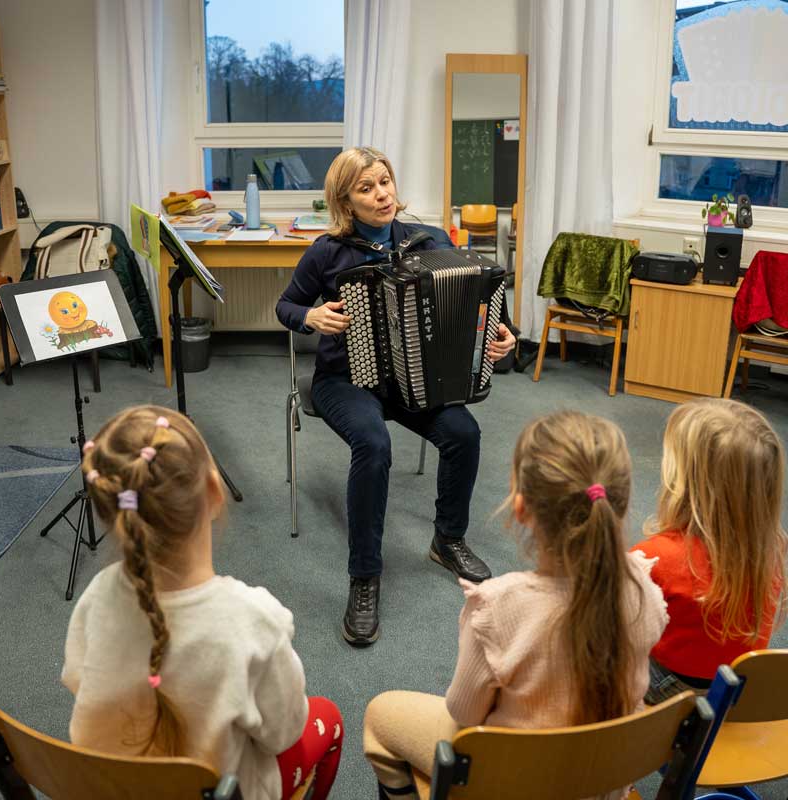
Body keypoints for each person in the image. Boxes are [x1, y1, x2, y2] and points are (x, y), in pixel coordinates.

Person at [276, 146, 516, 647]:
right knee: (373, 444)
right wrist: (310, 317)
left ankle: (447, 539)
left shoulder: (429, 240)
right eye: (366, 188)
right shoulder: (327, 251)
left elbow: (479, 302)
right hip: (344, 379)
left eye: (384, 181)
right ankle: (365, 575)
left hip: (414, 382)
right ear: (346, 201)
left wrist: (502, 335)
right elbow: (287, 304)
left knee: (463, 433)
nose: (381, 194)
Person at [363, 411, 668, 798]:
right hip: (604, 781)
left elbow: (464, 714)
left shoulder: (497, 607)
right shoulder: (645, 588)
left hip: (515, 783)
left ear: (521, 508)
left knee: (379, 715)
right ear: (619, 506)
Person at [62, 405, 343, 800]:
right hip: (227, 790)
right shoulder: (253, 619)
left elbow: (78, 680)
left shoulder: (96, 596)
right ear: (214, 491)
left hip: (113, 787)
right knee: (327, 718)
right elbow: (284, 734)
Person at [631, 398, 787, 704]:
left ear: (687, 483)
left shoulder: (654, 557)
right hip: (735, 692)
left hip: (667, 691)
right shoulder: (775, 552)